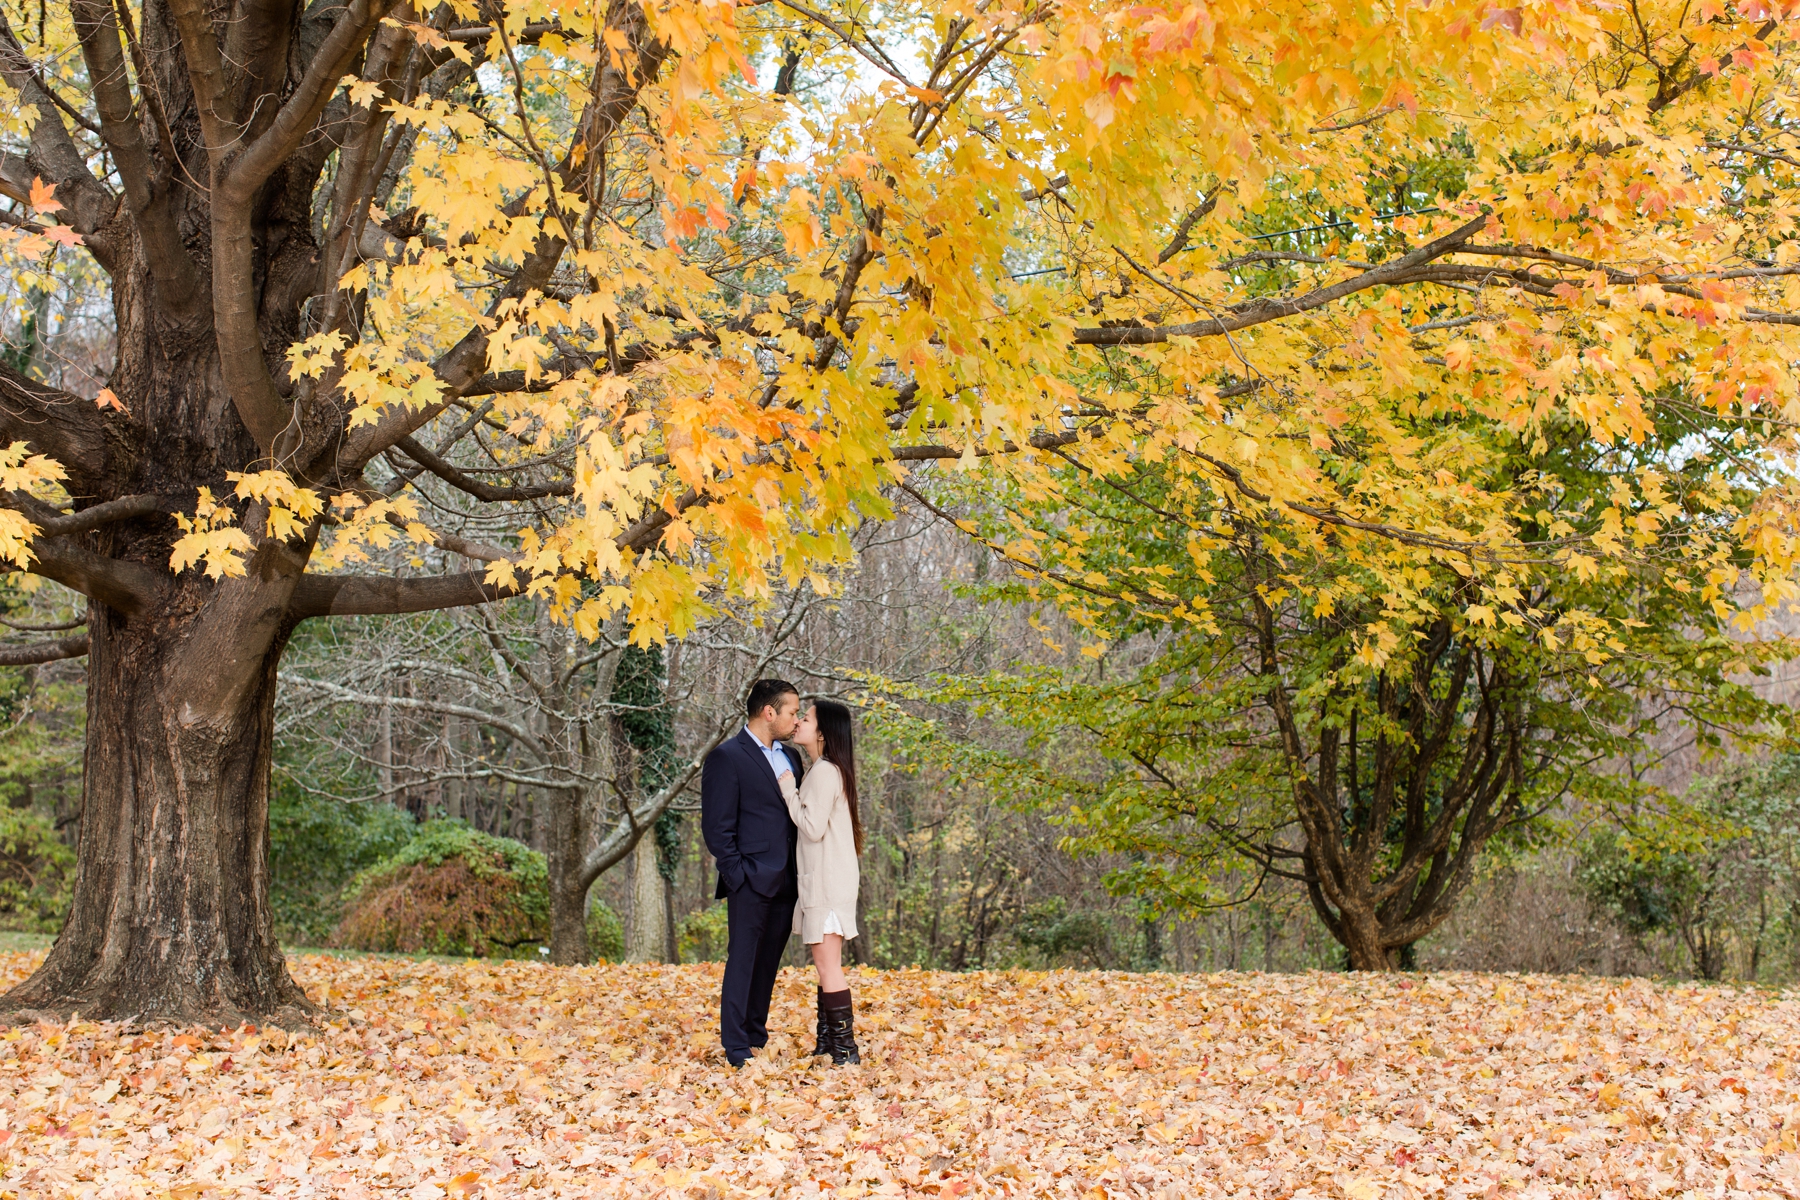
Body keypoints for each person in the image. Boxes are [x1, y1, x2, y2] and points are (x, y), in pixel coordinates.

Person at [700, 679, 803, 1068]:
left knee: (767, 964)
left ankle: (756, 1035)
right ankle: (736, 1047)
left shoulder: (791, 758)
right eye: (792, 712)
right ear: (769, 712)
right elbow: (717, 828)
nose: (796, 719)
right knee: (742, 961)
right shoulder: (727, 757)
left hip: (788, 880)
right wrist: (739, 875)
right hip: (749, 881)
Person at [779, 698, 864, 1065]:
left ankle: (845, 1051)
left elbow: (811, 828)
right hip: (829, 879)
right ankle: (829, 1043)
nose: (798, 722)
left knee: (828, 966)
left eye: (807, 718)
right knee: (825, 965)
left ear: (823, 733)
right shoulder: (825, 770)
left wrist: (788, 790)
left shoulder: (826, 771)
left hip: (828, 883)